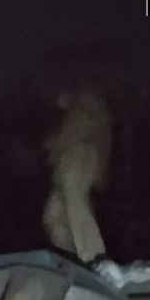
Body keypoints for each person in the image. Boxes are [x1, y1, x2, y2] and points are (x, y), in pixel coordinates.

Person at [42, 86, 113, 264]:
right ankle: (72, 259)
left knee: (76, 204)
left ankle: (94, 258)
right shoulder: (74, 103)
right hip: (69, 155)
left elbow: (92, 129)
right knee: (54, 214)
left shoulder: (86, 95)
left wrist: (56, 145)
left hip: (80, 151)